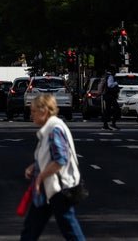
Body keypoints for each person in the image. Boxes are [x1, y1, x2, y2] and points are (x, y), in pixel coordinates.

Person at [21, 93, 84, 240]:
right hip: (48, 188)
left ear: (44, 111)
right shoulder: (50, 128)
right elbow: (49, 155)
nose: (31, 115)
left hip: (59, 189)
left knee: (70, 230)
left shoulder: (54, 129)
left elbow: (60, 160)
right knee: (30, 230)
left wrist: (40, 177)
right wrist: (34, 166)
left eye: (34, 111)